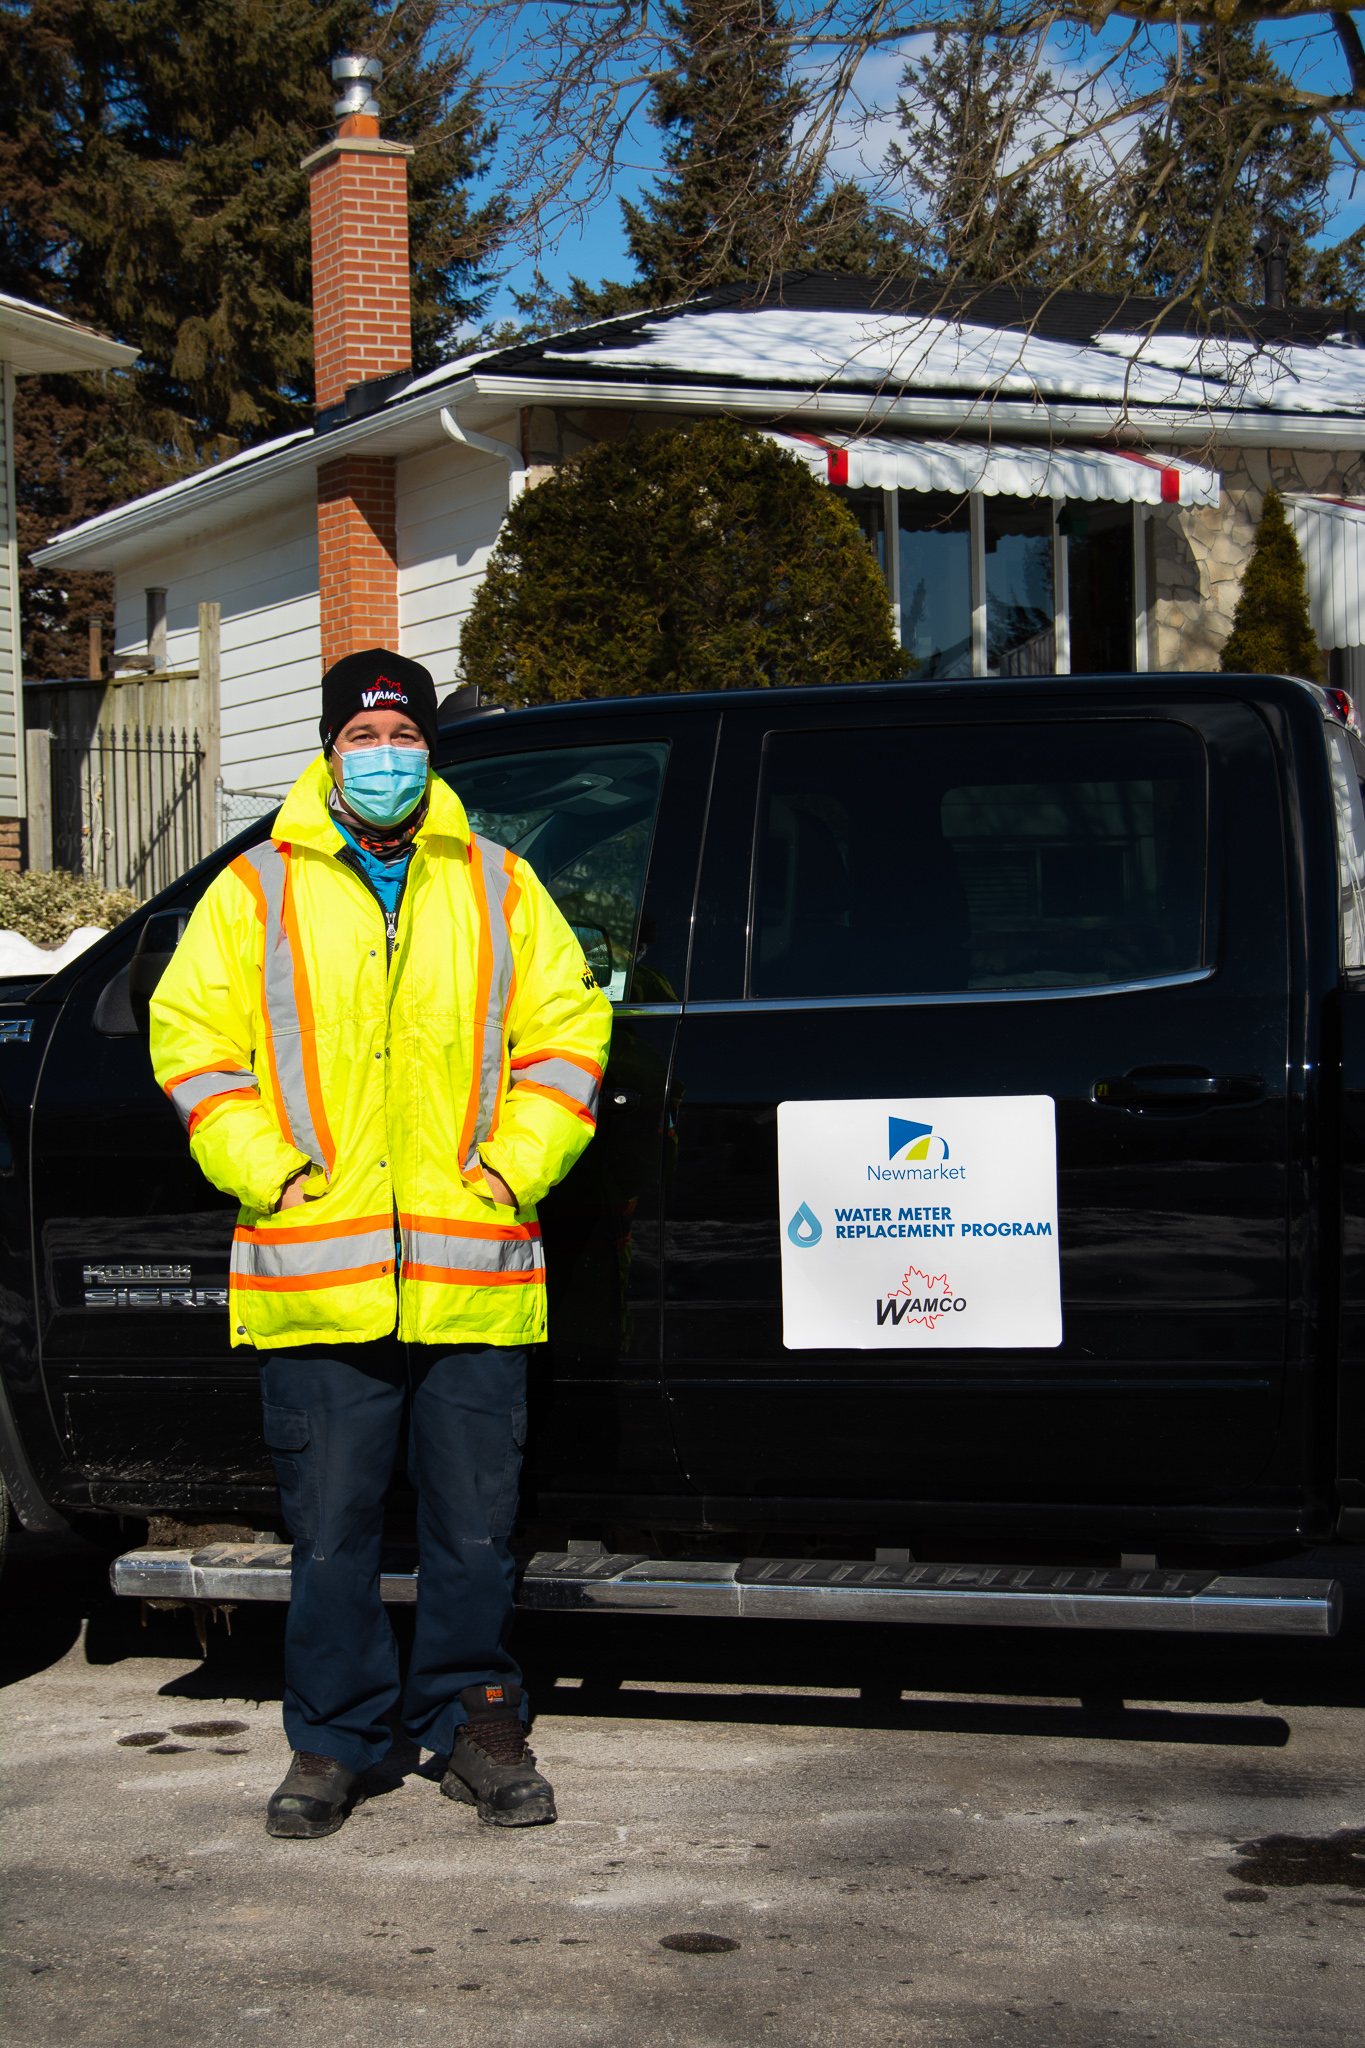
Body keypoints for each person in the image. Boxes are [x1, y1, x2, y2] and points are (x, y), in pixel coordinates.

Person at [150, 648, 612, 1841]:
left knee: (473, 1528)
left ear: (429, 748)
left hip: (472, 1269)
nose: (388, 759)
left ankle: (477, 1721)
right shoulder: (255, 890)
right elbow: (192, 1041)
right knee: (334, 1533)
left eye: (404, 737)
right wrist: (272, 1168)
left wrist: (513, 1165)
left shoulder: (502, 884)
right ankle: (334, 1739)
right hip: (319, 1265)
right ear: (328, 750)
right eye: (365, 741)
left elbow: (568, 1031)